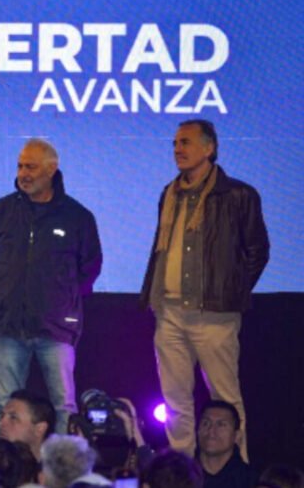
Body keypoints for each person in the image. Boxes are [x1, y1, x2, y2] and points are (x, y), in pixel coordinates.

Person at [139, 120, 269, 459]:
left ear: (209, 148)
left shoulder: (238, 195)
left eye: (185, 142)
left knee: (226, 399)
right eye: (175, 144)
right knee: (175, 401)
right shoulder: (170, 193)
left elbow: (257, 251)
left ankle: (234, 472)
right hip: (169, 312)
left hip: (215, 315)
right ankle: (181, 472)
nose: (177, 150)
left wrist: (230, 291)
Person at [0, 138, 102, 435]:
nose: (23, 173)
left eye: (31, 166)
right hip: (10, 325)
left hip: (56, 327)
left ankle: (61, 472)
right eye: (21, 166)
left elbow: (90, 267)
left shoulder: (77, 216)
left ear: (51, 169)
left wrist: (62, 299)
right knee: (5, 405)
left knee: (64, 406)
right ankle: (10, 470)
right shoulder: (2, 210)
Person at [196, 401, 257, 488]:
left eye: (221, 425)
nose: (211, 431)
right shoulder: (180, 475)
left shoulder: (250, 480)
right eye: (206, 423)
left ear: (237, 436)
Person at [0, 391, 53, 462]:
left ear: (39, 429)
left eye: (13, 417)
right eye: (2, 415)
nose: (1, 423)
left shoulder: (60, 471)